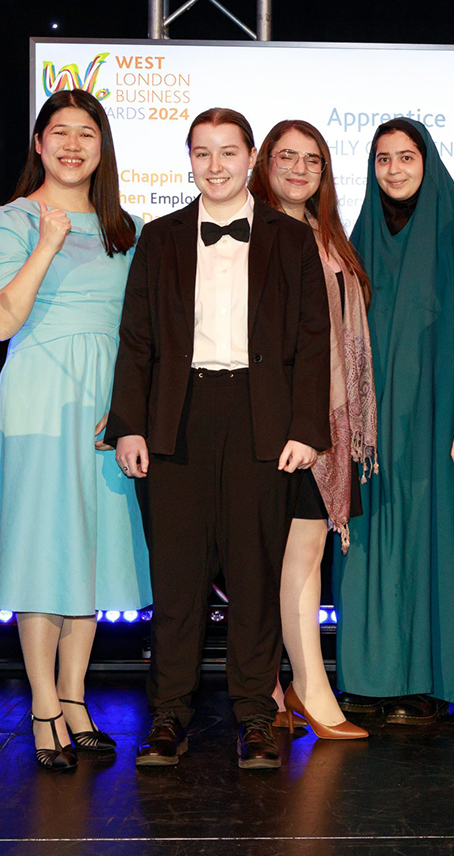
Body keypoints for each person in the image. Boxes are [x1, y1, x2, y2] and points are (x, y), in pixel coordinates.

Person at [106, 108, 331, 769]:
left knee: (255, 576)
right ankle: (168, 718)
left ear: (250, 156)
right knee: (177, 579)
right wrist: (130, 425)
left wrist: (308, 430)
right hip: (178, 416)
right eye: (202, 152)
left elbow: (313, 341)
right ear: (190, 160)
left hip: (261, 418)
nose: (215, 165)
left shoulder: (290, 241)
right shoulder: (163, 237)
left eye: (228, 151)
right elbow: (137, 336)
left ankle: (257, 719)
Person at [0, 89, 151, 770]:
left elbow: (143, 335)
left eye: (86, 133)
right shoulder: (13, 221)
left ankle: (74, 697)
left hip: (104, 409)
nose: (71, 144)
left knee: (90, 552)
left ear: (102, 145)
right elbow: (4, 321)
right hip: (37, 398)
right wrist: (48, 239)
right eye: (58, 132)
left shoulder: (131, 229)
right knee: (42, 551)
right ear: (38, 144)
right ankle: (40, 704)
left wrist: (127, 409)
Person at [333, 118, 454, 725]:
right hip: (371, 432)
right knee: (369, 547)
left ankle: (426, 681)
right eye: (382, 159)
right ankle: (371, 680)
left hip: (436, 428)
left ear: (428, 162)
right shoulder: (358, 240)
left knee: (434, 546)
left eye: (406, 157)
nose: (394, 170)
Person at [248, 119, 374, 740]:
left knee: (303, 556)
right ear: (263, 163)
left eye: (313, 160)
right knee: (277, 559)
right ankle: (295, 692)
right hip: (273, 424)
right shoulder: (251, 232)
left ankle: (285, 690)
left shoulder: (327, 237)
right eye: (286, 157)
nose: (299, 169)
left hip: (328, 421)